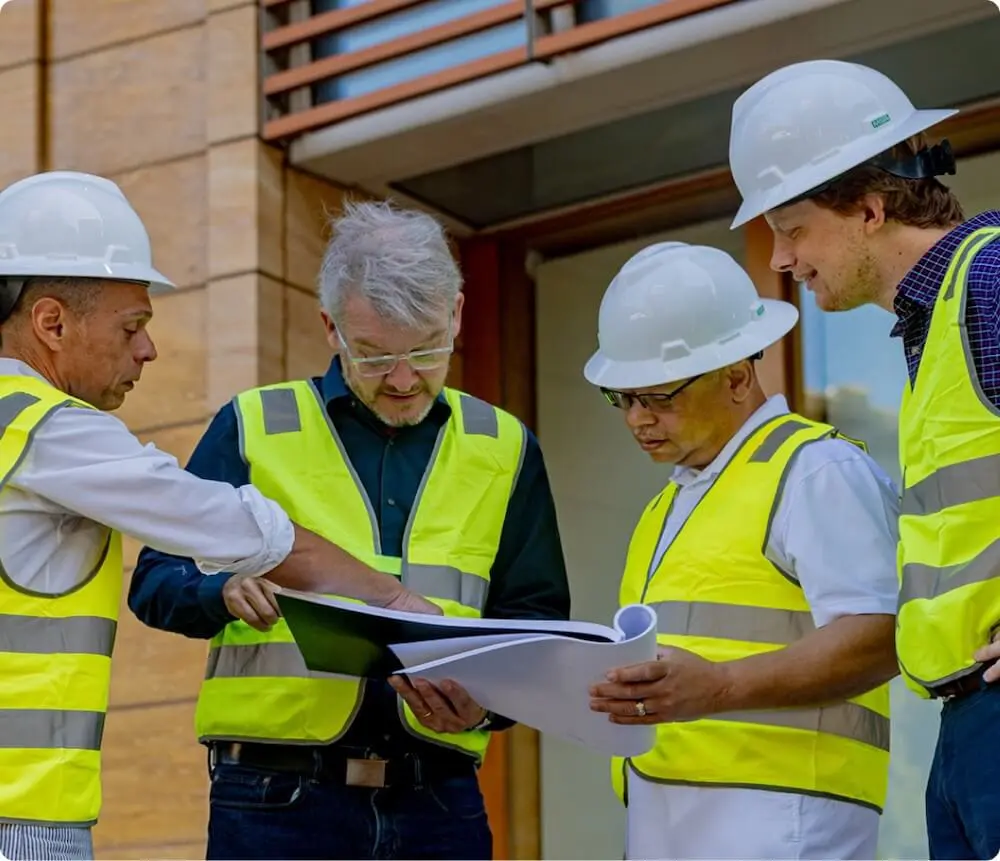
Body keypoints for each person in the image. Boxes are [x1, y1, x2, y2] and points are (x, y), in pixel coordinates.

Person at [0, 172, 437, 861]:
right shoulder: (47, 430)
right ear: (52, 323)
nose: (148, 350)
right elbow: (240, 530)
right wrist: (397, 600)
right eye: (132, 326)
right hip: (17, 815)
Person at [128, 199, 570, 861]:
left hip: (440, 804)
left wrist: (483, 709)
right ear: (330, 326)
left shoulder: (506, 447)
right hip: (275, 802)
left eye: (424, 350)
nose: (401, 379)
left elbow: (536, 623)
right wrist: (218, 592)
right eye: (373, 356)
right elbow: (157, 578)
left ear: (455, 313)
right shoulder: (253, 426)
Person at [726, 58, 1000, 860]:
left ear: (871, 208)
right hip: (965, 724)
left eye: (792, 228)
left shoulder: (989, 281)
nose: (781, 259)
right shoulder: (942, 319)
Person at [583, 242, 900, 860]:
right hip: (668, 817)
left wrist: (720, 688)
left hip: (784, 820)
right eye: (622, 398)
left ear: (736, 375)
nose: (636, 420)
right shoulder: (669, 506)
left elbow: (881, 637)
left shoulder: (814, 469)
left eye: (659, 397)